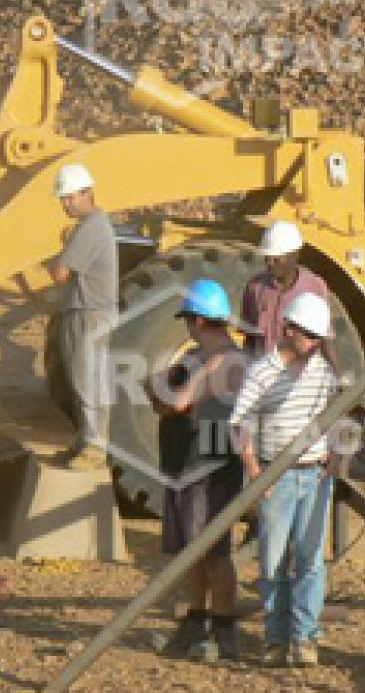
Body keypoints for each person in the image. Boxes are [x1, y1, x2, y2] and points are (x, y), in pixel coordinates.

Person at [227, 291, 344, 668]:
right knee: (273, 563)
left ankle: (305, 639)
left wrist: (334, 451)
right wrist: (255, 471)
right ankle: (276, 640)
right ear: (288, 330)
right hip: (275, 475)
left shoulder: (322, 370)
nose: (312, 344)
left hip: (314, 474)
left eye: (317, 338)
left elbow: (335, 411)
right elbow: (239, 423)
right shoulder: (262, 372)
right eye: (307, 336)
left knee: (311, 560)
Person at [145, 279, 245, 661]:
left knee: (214, 550)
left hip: (210, 468)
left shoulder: (224, 361)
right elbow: (159, 389)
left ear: (199, 320)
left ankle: (223, 630)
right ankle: (196, 621)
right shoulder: (196, 356)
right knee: (193, 550)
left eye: (188, 320)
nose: (187, 327)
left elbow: (178, 399)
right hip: (187, 464)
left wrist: (165, 396)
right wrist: (164, 395)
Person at [48, 163, 118, 471]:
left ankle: (95, 447)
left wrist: (54, 263)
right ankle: (85, 439)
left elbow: (61, 273)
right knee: (81, 379)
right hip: (83, 310)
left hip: (92, 313)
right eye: (63, 199)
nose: (66, 204)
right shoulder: (87, 226)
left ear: (88, 193)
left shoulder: (92, 226)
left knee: (90, 381)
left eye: (71, 197)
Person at [240, 221, 340, 374]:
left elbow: (325, 339)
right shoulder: (255, 288)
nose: (270, 264)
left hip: (300, 378)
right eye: (267, 258)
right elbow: (250, 339)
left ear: (294, 255)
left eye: (276, 259)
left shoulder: (315, 287)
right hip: (264, 377)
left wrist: (338, 376)